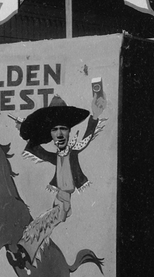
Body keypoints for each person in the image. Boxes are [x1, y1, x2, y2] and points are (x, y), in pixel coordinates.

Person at [14, 95, 104, 268]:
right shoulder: (56, 157)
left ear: (69, 131)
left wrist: (94, 116)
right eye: (55, 130)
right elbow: (38, 151)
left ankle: (26, 254)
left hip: (64, 203)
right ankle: (27, 254)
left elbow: (86, 138)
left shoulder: (74, 152)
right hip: (58, 200)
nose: (60, 134)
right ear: (51, 133)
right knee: (40, 225)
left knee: (43, 224)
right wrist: (25, 132)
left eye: (63, 129)